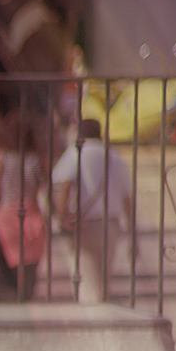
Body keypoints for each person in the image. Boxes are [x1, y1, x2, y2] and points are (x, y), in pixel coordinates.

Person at [50, 116, 132, 303]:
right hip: (111, 224)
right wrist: (133, 235)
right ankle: (101, 313)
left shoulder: (76, 152)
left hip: (86, 224)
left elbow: (65, 184)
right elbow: (127, 197)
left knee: (85, 283)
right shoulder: (114, 155)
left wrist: (62, 217)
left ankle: (91, 322)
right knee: (104, 280)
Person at [0, 98, 51, 300]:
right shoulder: (36, 158)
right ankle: (26, 300)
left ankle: (12, 305)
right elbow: (47, 187)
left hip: (7, 217)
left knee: (7, 272)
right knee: (30, 272)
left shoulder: (0, 157)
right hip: (32, 217)